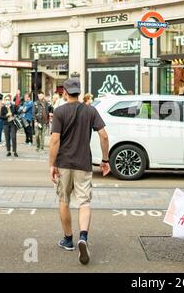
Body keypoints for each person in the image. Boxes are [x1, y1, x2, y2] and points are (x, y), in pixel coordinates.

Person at [49, 76, 110, 265]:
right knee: (84, 202)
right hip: (84, 163)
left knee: (64, 200)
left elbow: (54, 140)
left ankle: (68, 239)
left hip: (64, 163)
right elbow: (104, 136)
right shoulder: (90, 110)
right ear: (79, 93)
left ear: (65, 93)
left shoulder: (59, 111)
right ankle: (83, 237)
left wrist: (52, 164)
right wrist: (105, 160)